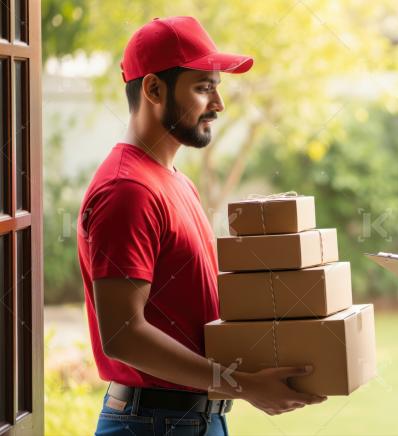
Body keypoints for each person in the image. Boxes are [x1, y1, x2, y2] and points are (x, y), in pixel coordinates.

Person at [77, 16, 326, 436]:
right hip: (154, 424)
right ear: (154, 89)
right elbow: (123, 335)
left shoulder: (175, 182)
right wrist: (245, 385)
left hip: (195, 417)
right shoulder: (128, 190)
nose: (218, 103)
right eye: (203, 87)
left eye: (217, 87)